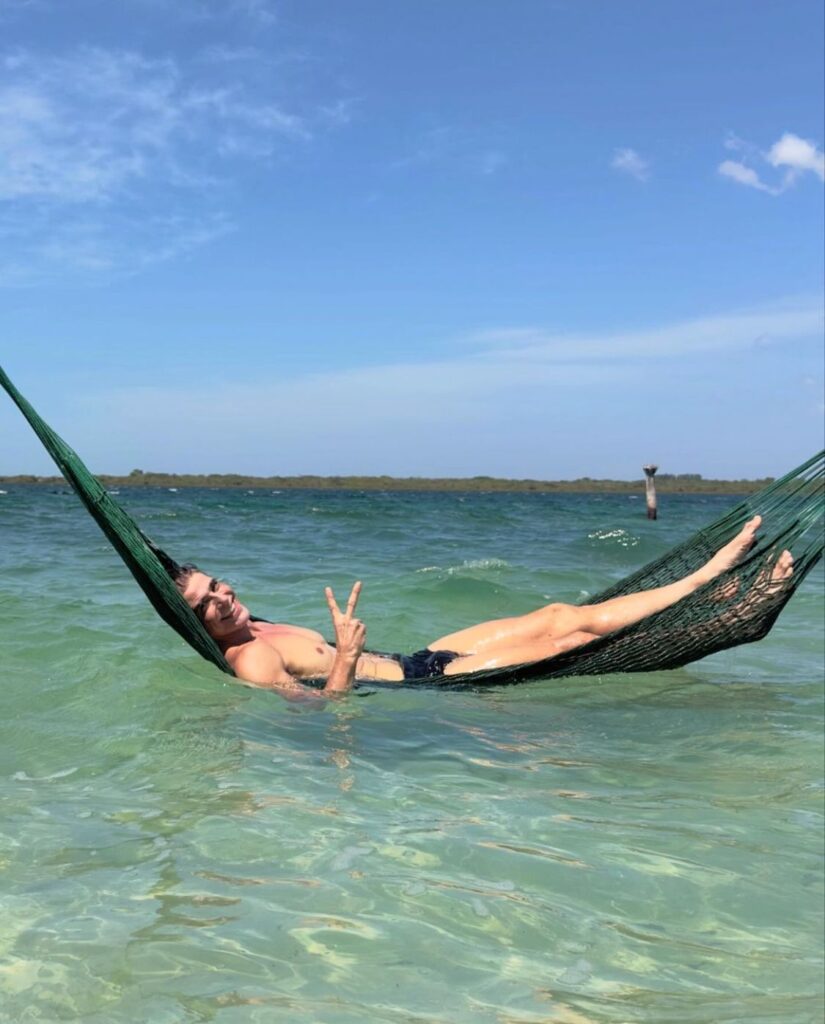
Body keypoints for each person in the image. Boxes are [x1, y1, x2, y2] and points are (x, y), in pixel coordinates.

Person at [173, 515, 793, 699]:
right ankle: (716, 591)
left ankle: (710, 584)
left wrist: (357, 650)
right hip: (422, 688)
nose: (224, 599)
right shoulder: (250, 660)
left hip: (418, 660)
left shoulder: (255, 622)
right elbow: (324, 720)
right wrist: (346, 658)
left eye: (219, 586)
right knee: (566, 636)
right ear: (197, 624)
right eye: (209, 605)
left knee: (556, 614)